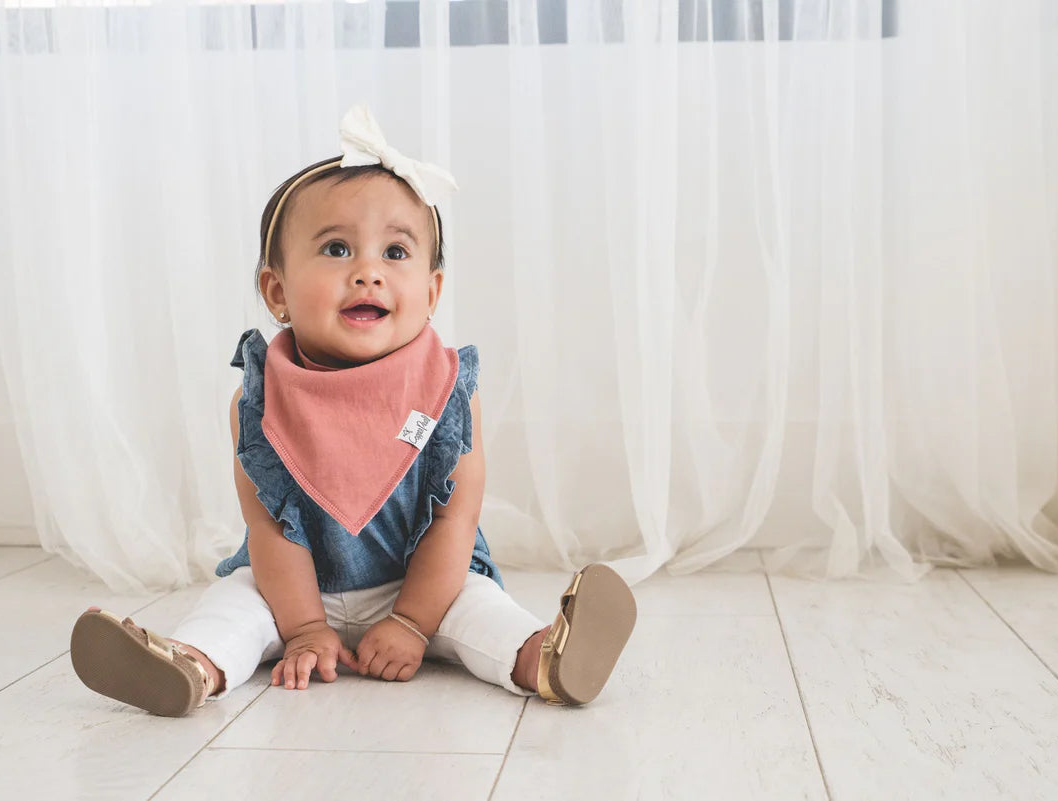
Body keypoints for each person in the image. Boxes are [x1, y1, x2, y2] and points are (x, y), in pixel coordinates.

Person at [69, 106, 636, 717]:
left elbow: (454, 520)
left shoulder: (445, 391)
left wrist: (413, 623)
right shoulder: (260, 400)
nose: (368, 272)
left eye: (395, 252)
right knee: (234, 603)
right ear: (278, 293)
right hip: (292, 588)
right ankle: (190, 666)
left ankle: (544, 658)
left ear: (431, 292)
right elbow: (270, 528)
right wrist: (305, 628)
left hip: (421, 584)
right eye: (337, 249)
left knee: (482, 609)